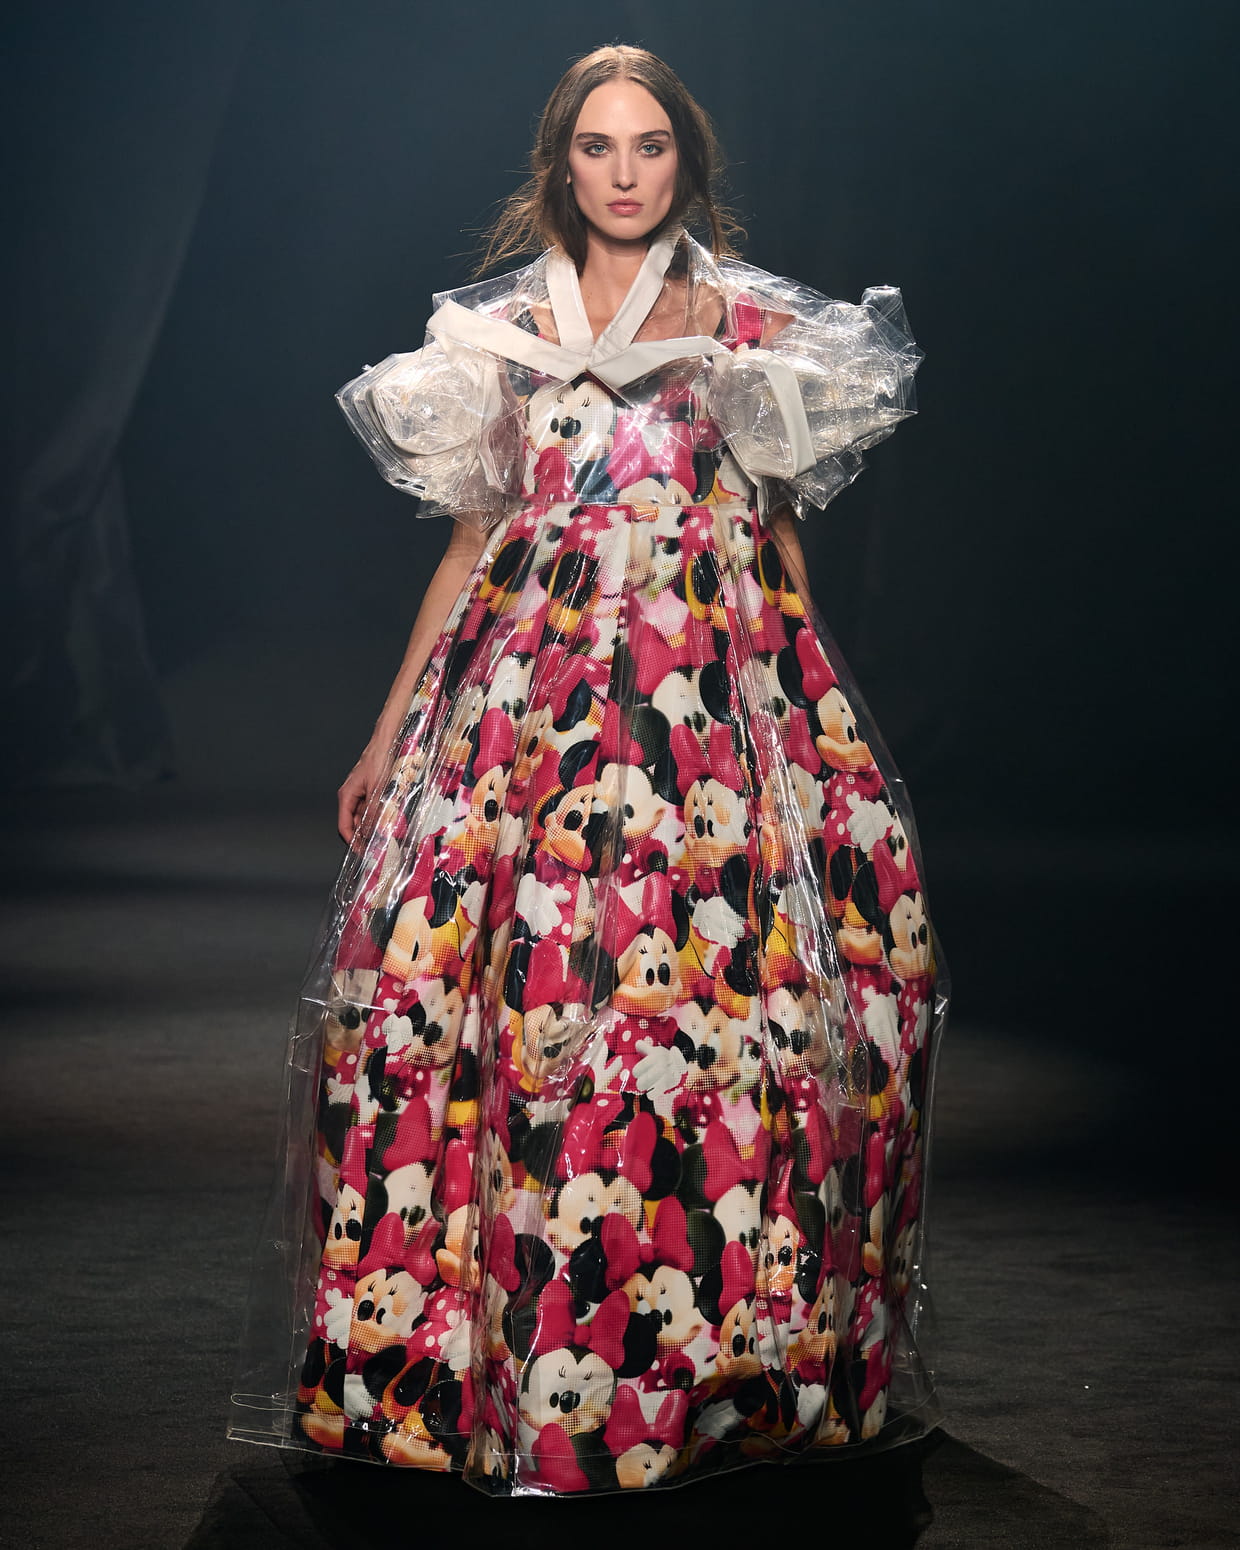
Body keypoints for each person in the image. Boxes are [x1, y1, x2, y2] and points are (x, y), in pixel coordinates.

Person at [228, 44, 948, 1498]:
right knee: (507, 1001)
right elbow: (466, 545)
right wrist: (385, 735)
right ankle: (487, 1363)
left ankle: (726, 1361)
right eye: (598, 148)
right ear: (561, 164)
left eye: (651, 147)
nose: (625, 174)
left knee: (725, 1010)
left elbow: (777, 533)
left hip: (708, 705)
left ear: (688, 163)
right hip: (533, 708)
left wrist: (811, 732)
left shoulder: (748, 329)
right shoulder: (495, 339)